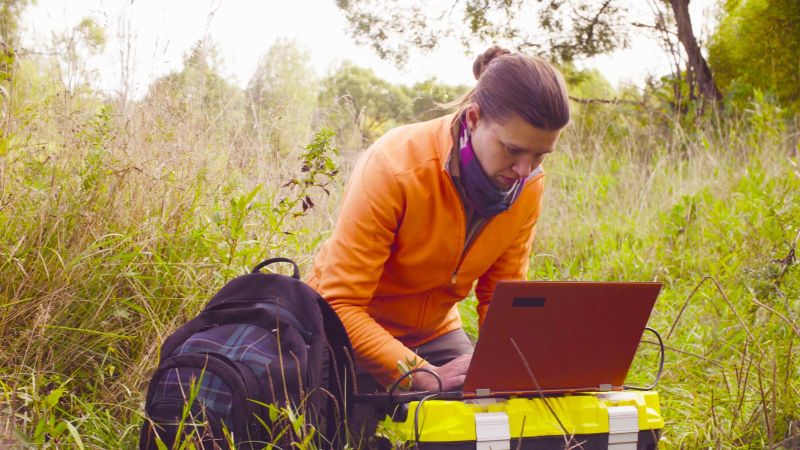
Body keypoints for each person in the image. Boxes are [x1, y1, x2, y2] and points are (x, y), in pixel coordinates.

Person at [307, 46, 570, 400]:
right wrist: (420, 373)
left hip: (435, 334)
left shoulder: (529, 184)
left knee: (497, 412)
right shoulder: (394, 166)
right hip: (345, 332)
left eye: (539, 155)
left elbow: (501, 299)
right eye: (512, 150)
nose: (525, 170)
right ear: (474, 119)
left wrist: (516, 367)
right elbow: (340, 305)